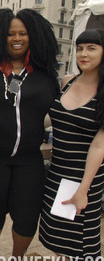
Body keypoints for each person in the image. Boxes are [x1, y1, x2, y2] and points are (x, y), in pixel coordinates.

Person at [0, 8, 59, 257]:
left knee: (27, 215)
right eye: (10, 34)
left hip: (29, 158)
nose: (17, 38)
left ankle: (17, 257)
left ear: (33, 36)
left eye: (23, 33)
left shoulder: (45, 76)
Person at [39, 29, 104, 259]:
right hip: (57, 173)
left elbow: (99, 146)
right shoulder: (67, 82)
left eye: (91, 48)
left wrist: (83, 190)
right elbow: (52, 118)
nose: (83, 54)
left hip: (84, 179)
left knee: (80, 246)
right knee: (56, 239)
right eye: (80, 48)